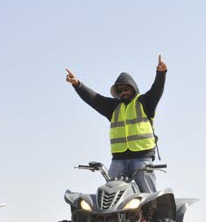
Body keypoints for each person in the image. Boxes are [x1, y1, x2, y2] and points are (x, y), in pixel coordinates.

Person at [65, 55, 167, 193]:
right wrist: (77, 84)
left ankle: (154, 215)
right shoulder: (113, 107)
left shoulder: (145, 102)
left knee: (149, 197)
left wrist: (161, 73)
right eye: (120, 90)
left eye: (126, 89)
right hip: (119, 160)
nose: (123, 92)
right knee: (110, 194)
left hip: (142, 158)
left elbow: (157, 90)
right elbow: (94, 99)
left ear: (133, 88)